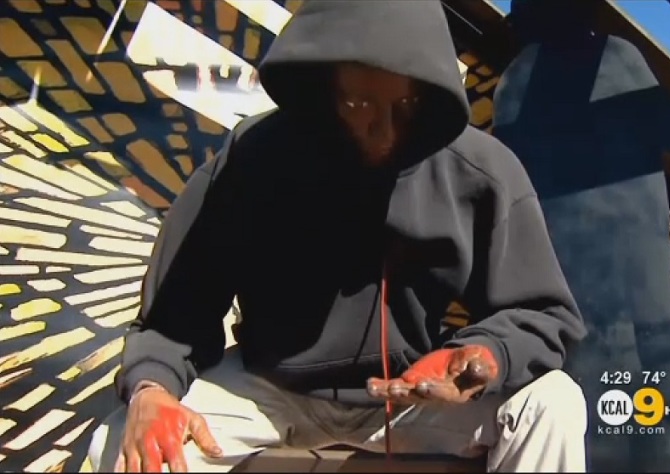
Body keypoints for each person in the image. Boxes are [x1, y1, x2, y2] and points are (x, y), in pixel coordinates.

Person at [87, 1, 589, 472]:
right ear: (322, 88)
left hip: (408, 397)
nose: (385, 129)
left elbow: (542, 313)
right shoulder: (253, 158)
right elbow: (177, 316)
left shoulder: (482, 173)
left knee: (553, 403)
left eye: (407, 104)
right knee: (121, 441)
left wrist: (484, 356)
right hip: (266, 387)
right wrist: (152, 390)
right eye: (358, 101)